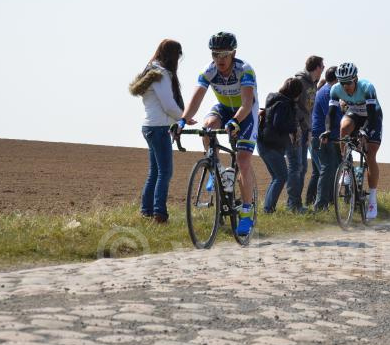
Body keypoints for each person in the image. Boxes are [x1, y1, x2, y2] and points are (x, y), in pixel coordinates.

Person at [178, 32, 258, 237]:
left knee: (242, 160)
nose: (219, 59)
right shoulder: (209, 71)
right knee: (208, 126)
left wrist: (236, 121)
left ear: (233, 53)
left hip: (245, 113)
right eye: (215, 54)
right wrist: (182, 119)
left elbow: (247, 104)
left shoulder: (244, 70)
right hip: (223, 108)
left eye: (224, 54)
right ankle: (216, 168)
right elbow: (195, 99)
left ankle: (247, 212)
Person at [129, 39, 185, 223]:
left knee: (154, 172)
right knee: (165, 172)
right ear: (173, 56)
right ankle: (159, 214)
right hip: (159, 127)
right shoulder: (161, 74)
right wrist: (183, 117)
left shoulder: (150, 71)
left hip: (149, 126)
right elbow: (168, 104)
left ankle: (146, 211)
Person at [321, 62, 382, 219]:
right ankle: (346, 166)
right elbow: (331, 113)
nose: (345, 86)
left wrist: (364, 130)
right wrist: (327, 130)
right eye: (342, 82)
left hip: (372, 117)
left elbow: (372, 116)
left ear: (355, 79)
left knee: (370, 155)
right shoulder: (336, 90)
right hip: (354, 113)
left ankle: (372, 199)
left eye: (348, 82)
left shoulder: (367, 87)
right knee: (344, 129)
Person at [257, 78, 303, 213]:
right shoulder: (283, 104)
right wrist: (293, 128)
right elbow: (278, 123)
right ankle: (268, 209)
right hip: (271, 146)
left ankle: (268, 208)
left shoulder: (276, 100)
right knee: (281, 176)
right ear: (295, 92)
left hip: (265, 144)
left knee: (277, 177)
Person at [290, 55, 324, 213]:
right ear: (317, 67)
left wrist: (309, 129)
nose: (323, 69)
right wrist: (300, 127)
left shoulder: (313, 83)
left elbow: (309, 109)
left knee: (303, 168)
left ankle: (297, 204)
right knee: (296, 167)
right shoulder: (300, 81)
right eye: (322, 67)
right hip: (297, 129)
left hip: (306, 130)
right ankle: (293, 205)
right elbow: (294, 106)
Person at [310, 67, 341, 211]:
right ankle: (321, 205)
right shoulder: (328, 92)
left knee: (327, 170)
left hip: (323, 135)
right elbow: (332, 115)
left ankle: (324, 202)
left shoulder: (324, 90)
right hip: (322, 136)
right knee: (327, 170)